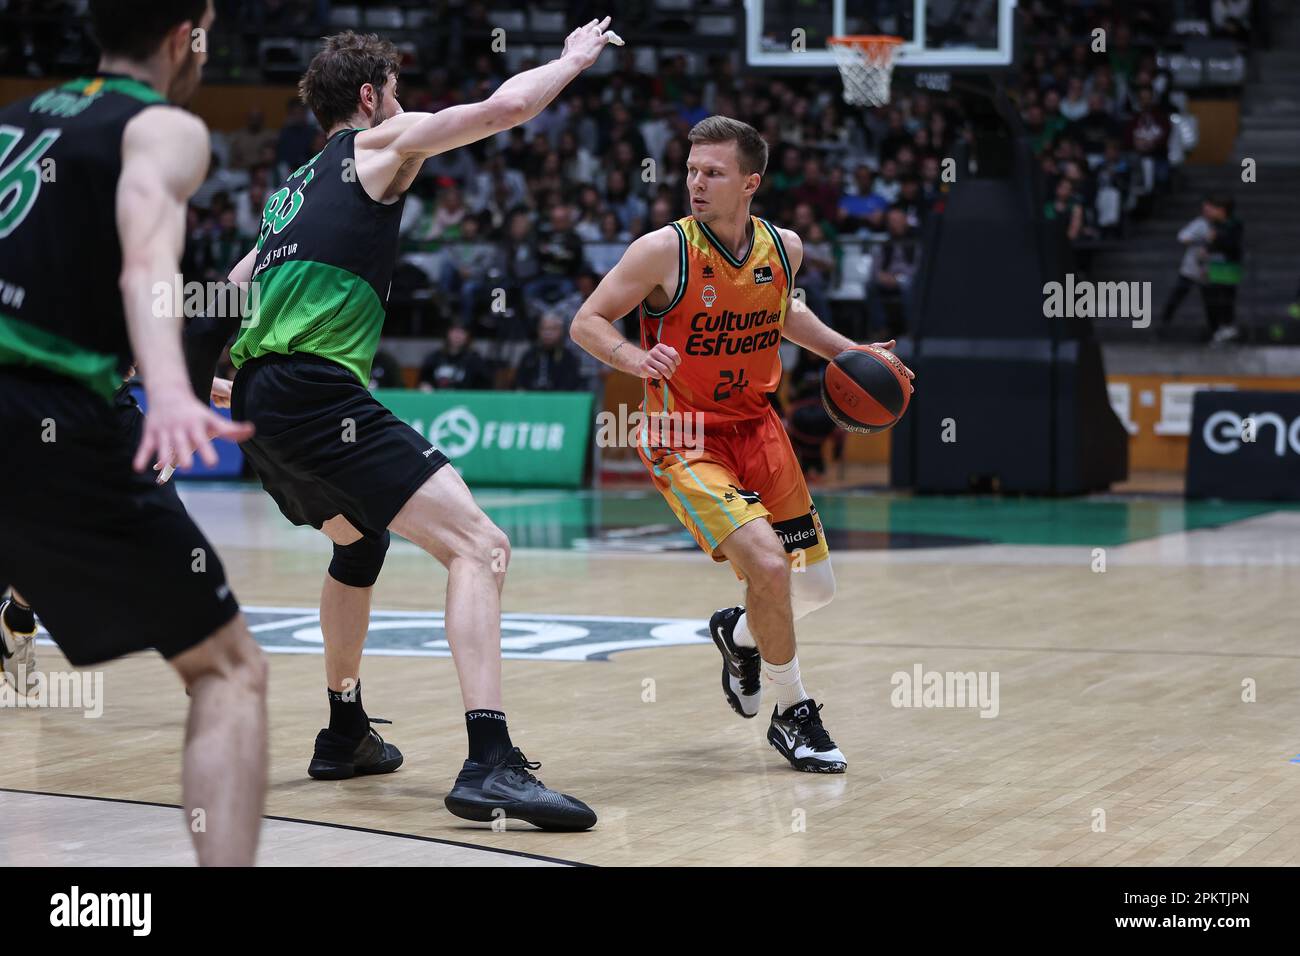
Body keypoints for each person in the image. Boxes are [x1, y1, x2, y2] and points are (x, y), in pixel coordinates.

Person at [225, 22, 618, 829]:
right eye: (395, 90)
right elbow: (505, 107)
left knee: (357, 542)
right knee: (481, 546)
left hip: (258, 399)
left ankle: (344, 730)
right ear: (370, 98)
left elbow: (234, 285)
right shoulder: (378, 141)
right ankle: (490, 763)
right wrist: (573, 60)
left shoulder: (290, 190)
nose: (401, 104)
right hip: (313, 390)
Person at [0, 0, 266, 866]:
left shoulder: (15, 121)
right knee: (228, 673)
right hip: (46, 406)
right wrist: (166, 385)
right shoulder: (163, 127)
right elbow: (147, 251)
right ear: (182, 36)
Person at [570, 116, 914, 774]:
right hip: (684, 435)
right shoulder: (660, 252)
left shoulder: (783, 247)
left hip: (760, 427)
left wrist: (853, 352)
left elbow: (786, 315)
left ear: (749, 182)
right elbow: (586, 320)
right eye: (692, 170)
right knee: (771, 568)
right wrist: (630, 357)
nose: (696, 182)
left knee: (813, 590)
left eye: (713, 172)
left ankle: (737, 633)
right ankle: (794, 714)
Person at [515, 313, 583, 391]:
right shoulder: (529, 356)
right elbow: (520, 386)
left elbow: (572, 387)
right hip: (531, 400)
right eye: (544, 328)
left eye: (553, 329)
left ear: (562, 331)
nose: (547, 333)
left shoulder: (569, 358)